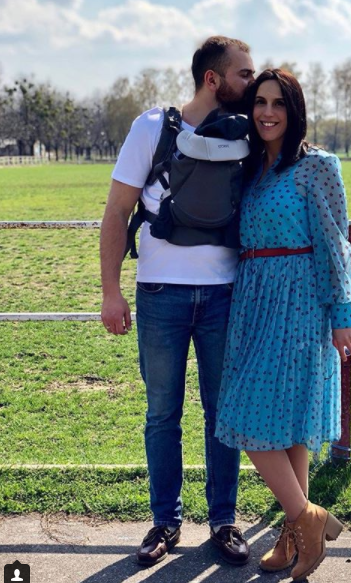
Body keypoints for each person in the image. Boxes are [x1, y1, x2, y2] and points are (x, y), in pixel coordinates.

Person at [99, 35, 256, 567]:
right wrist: (111, 292)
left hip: (225, 296)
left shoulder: (246, 134)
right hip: (160, 293)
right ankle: (165, 521)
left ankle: (223, 520)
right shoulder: (152, 127)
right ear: (212, 79)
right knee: (162, 414)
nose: (251, 83)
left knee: (221, 413)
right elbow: (116, 212)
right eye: (243, 74)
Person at [214, 69, 351, 581]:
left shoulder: (317, 165)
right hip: (253, 299)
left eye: (278, 103)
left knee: (250, 416)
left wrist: (341, 315)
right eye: (259, 102)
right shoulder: (251, 167)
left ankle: (306, 519)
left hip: (299, 299)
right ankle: (298, 531)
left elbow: (334, 243)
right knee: (285, 422)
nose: (267, 112)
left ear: (294, 110)